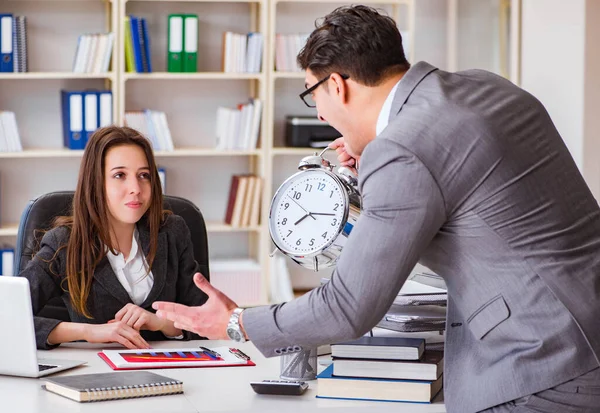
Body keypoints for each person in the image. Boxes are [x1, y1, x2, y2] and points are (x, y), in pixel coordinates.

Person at [153, 5, 600, 413]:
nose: (322, 116)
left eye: (313, 96)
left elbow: (348, 307)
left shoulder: (402, 149)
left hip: (544, 369)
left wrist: (237, 323)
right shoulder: (483, 85)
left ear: (336, 85)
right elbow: (468, 195)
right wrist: (374, 163)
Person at [21, 125, 208, 350]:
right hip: (94, 375)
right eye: (120, 175)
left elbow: (207, 320)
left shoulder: (172, 232)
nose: (136, 188)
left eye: (144, 175)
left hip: (174, 369)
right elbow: (8, 319)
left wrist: (162, 323)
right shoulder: (65, 243)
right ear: (95, 183)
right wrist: (88, 332)